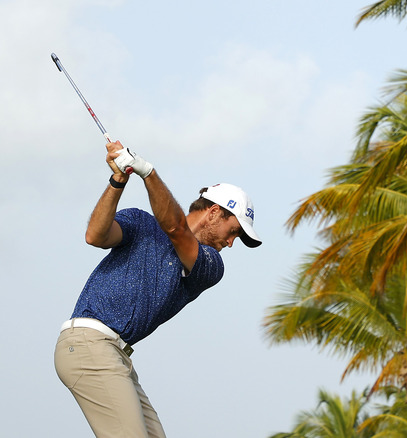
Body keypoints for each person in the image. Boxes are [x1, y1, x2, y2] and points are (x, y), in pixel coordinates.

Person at [54, 140, 261, 437]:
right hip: (88, 344)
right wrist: (119, 180)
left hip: (117, 356)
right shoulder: (140, 222)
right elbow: (95, 235)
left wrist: (147, 172)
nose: (230, 243)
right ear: (214, 212)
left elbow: (176, 230)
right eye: (233, 232)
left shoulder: (211, 265)